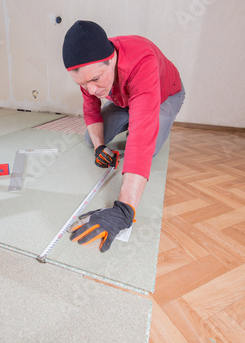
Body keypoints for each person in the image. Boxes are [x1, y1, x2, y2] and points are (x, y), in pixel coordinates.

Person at [62, 20, 185, 252]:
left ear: (112, 59)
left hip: (165, 95)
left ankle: (137, 115)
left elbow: (141, 139)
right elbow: (91, 109)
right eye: (82, 84)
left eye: (96, 79)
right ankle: (133, 115)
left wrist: (124, 209)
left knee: (149, 148)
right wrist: (100, 147)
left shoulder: (142, 61)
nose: (92, 90)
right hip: (124, 99)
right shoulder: (88, 74)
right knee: (91, 139)